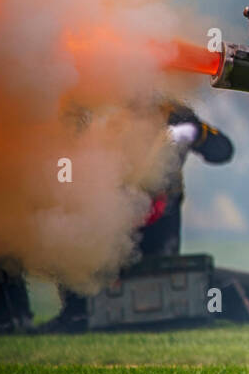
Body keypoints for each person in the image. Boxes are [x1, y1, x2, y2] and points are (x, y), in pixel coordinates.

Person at [43, 100, 234, 332]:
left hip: (159, 221)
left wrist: (193, 134)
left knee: (156, 292)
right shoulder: (90, 111)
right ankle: (76, 314)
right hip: (105, 217)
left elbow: (223, 151)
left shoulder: (172, 114)